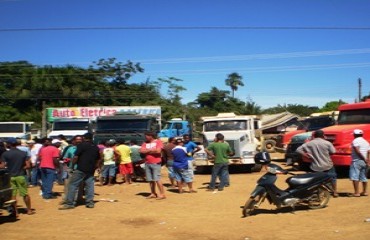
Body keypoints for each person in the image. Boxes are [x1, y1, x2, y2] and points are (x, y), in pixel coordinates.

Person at [59, 133, 100, 210]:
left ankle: (70, 203)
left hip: (80, 168)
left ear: (84, 138)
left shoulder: (81, 145)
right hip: (90, 169)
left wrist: (72, 167)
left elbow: (75, 157)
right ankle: (89, 202)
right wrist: (95, 167)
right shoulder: (95, 147)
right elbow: (99, 159)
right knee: (90, 186)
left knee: (72, 185)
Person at [296, 130, 338, 197]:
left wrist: (305, 155)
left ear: (314, 135)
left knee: (315, 180)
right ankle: (335, 192)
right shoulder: (327, 143)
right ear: (323, 135)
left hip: (315, 165)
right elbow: (333, 151)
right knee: (332, 177)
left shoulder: (309, 143)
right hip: (327, 164)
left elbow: (298, 150)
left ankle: (317, 191)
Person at [0, 138, 34, 216]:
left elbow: (2, 166)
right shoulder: (23, 153)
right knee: (25, 194)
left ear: (9, 144)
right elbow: (28, 165)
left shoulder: (5, 154)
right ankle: (29, 210)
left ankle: (15, 212)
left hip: (10, 177)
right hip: (21, 175)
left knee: (12, 195)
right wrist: (21, 168)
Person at [140, 132, 166, 200]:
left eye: (146, 136)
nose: (146, 137)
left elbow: (158, 151)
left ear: (151, 136)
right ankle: (153, 193)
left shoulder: (158, 142)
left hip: (156, 162)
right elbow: (141, 151)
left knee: (157, 179)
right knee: (150, 180)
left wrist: (147, 151)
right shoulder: (145, 143)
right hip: (147, 162)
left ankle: (162, 194)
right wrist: (152, 150)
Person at [60, 135, 83, 204]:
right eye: (77, 139)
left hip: (81, 169)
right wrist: (69, 161)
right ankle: (66, 199)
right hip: (71, 169)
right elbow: (65, 158)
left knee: (80, 185)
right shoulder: (70, 149)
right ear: (74, 140)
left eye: (80, 139)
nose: (79, 141)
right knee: (68, 184)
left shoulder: (85, 149)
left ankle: (78, 199)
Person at [349, 129, 369, 197]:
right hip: (364, 161)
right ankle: (364, 192)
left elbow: (357, 151)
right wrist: (367, 160)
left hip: (357, 160)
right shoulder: (366, 142)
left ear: (354, 135)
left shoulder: (355, 141)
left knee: (355, 176)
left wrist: (363, 158)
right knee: (364, 176)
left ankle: (356, 192)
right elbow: (368, 151)